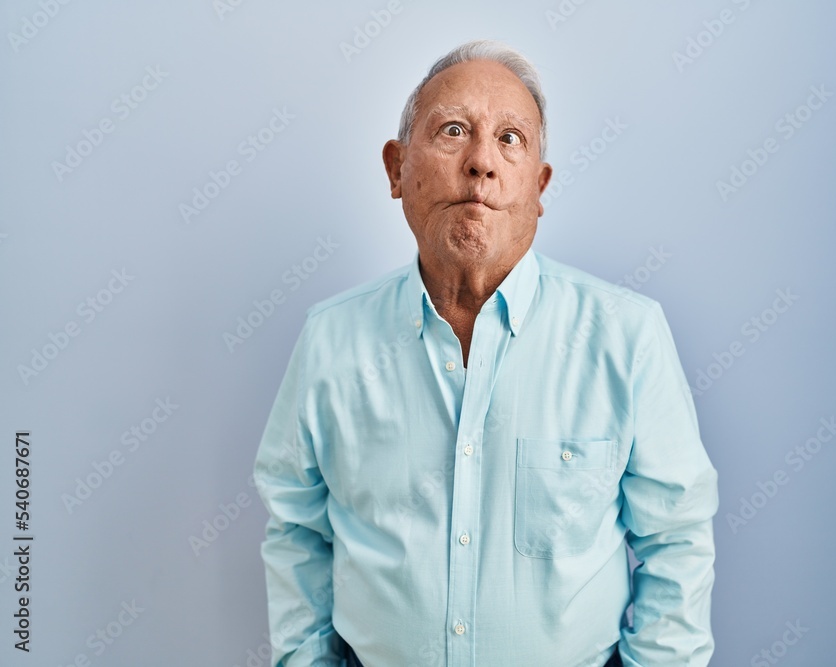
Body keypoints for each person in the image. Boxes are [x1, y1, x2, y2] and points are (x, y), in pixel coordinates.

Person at [254, 39, 719, 667]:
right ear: (396, 169)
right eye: (452, 131)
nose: (482, 163)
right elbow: (297, 533)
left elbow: (677, 541)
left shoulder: (626, 337)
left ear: (539, 185)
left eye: (511, 140)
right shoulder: (331, 340)